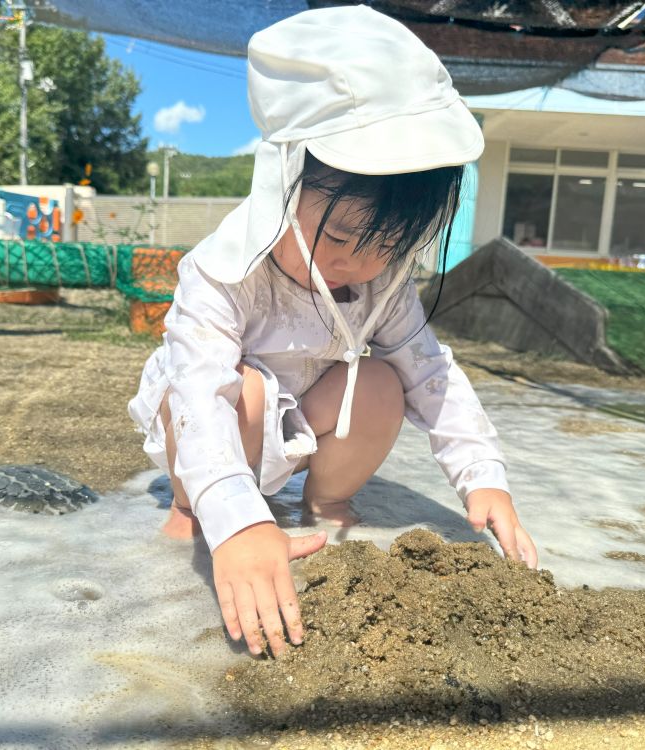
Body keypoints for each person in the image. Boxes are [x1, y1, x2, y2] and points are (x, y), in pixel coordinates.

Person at [128, 5, 537, 659]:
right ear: (281, 185)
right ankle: (191, 510)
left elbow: (432, 374)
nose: (364, 264)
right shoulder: (224, 272)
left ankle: (327, 501)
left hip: (300, 417)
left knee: (380, 381)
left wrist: (482, 475)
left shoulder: (381, 279)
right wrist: (233, 518)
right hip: (207, 430)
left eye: (391, 244)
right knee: (243, 391)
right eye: (342, 237)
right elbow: (199, 392)